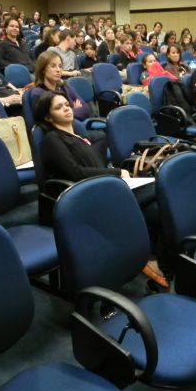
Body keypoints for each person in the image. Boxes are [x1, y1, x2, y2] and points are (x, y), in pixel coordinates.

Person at [33, 90, 168, 287]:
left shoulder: (79, 135)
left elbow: (96, 165)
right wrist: (116, 173)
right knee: (162, 192)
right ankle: (150, 257)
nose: (66, 109)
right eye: (58, 107)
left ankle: (155, 257)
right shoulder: (53, 139)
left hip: (104, 186)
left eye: (67, 104)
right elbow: (76, 173)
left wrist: (111, 173)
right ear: (48, 117)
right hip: (87, 195)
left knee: (162, 208)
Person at [30, 51, 92, 121]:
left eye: (60, 66)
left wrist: (67, 113)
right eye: (53, 66)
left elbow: (85, 109)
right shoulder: (38, 93)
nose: (58, 70)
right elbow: (51, 119)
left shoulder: (64, 87)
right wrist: (74, 110)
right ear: (43, 70)